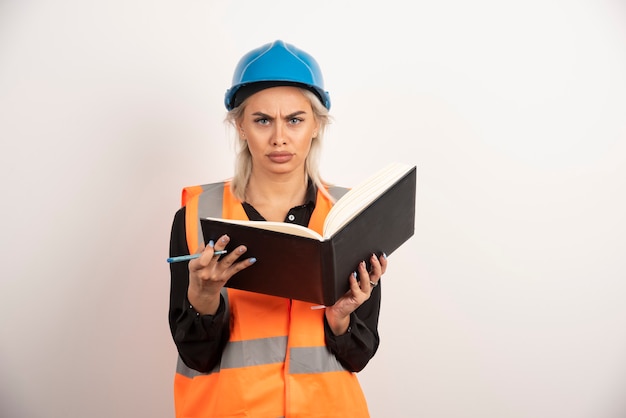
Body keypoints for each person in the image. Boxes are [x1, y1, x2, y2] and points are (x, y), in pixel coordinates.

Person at [168, 39, 387, 418]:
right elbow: (197, 357)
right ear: (240, 125)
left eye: (295, 120)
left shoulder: (352, 215)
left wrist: (341, 319)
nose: (279, 137)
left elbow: (359, 357)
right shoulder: (194, 216)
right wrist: (203, 298)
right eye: (262, 120)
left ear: (316, 125)